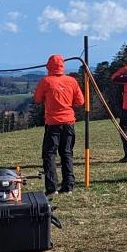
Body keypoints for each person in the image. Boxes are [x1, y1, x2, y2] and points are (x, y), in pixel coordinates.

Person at [32, 54, 86, 195]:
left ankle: (51, 188)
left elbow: (37, 99)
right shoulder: (72, 81)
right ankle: (68, 186)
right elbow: (80, 101)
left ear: (49, 66)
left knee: (49, 154)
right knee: (67, 153)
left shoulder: (46, 81)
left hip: (53, 123)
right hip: (68, 122)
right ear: (62, 66)